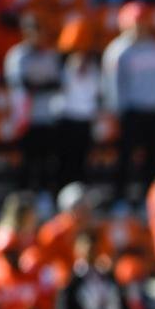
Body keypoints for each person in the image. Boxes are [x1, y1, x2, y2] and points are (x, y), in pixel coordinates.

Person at [102, 1, 155, 202]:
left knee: (153, 158)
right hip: (130, 111)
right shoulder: (118, 51)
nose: (139, 28)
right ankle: (120, 199)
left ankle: (148, 200)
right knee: (125, 158)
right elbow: (112, 84)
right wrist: (117, 110)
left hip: (154, 110)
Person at [5, 14, 61, 196]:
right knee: (26, 161)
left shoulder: (49, 55)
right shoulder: (17, 55)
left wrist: (39, 85)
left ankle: (43, 196)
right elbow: (23, 84)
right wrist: (42, 85)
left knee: (46, 161)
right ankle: (23, 196)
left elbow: (57, 83)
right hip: (25, 118)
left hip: (46, 115)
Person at [54, 15, 101, 189]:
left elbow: (96, 90)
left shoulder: (94, 65)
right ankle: (59, 192)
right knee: (64, 159)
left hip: (85, 117)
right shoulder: (61, 64)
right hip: (66, 116)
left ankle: (80, 194)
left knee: (82, 160)